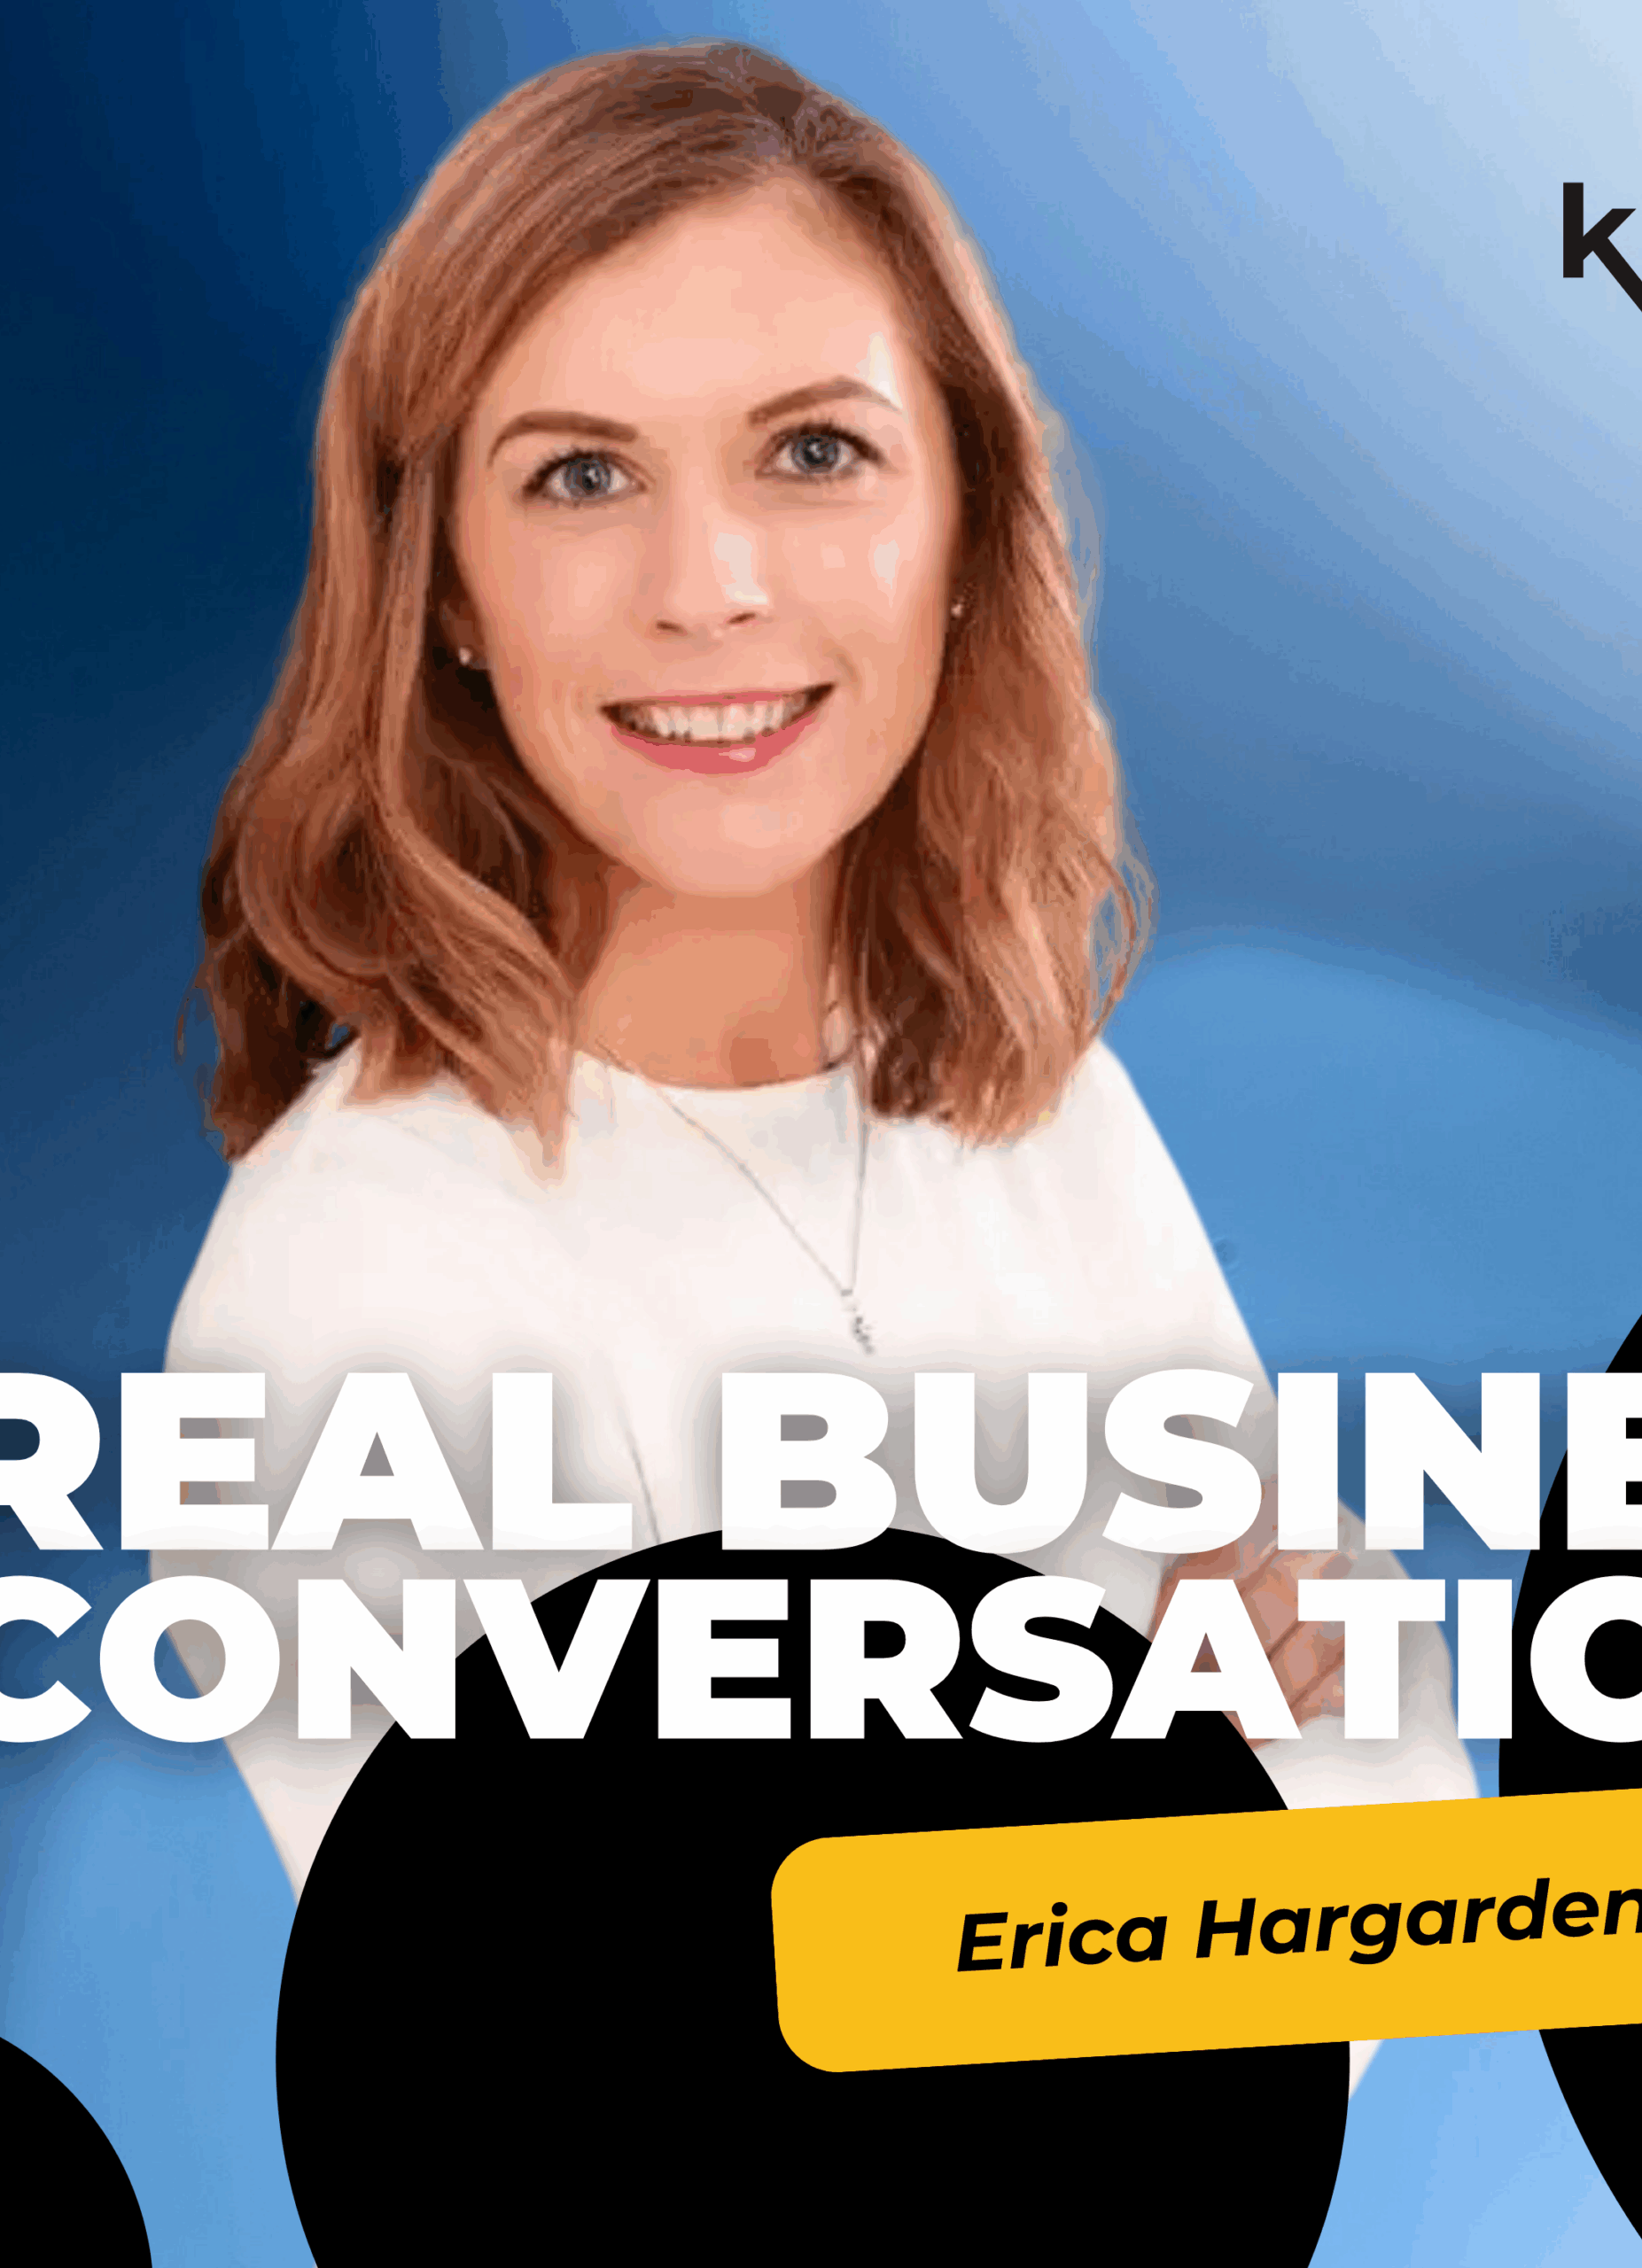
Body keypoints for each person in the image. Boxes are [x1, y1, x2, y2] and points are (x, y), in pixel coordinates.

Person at [157, 44, 1472, 1950]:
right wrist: (1182, 1769)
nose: (708, 587)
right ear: (443, 584)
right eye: (582, 476)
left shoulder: (1034, 1104)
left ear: (964, 524)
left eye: (813, 453)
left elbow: (1407, 1862)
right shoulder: (349, 1301)